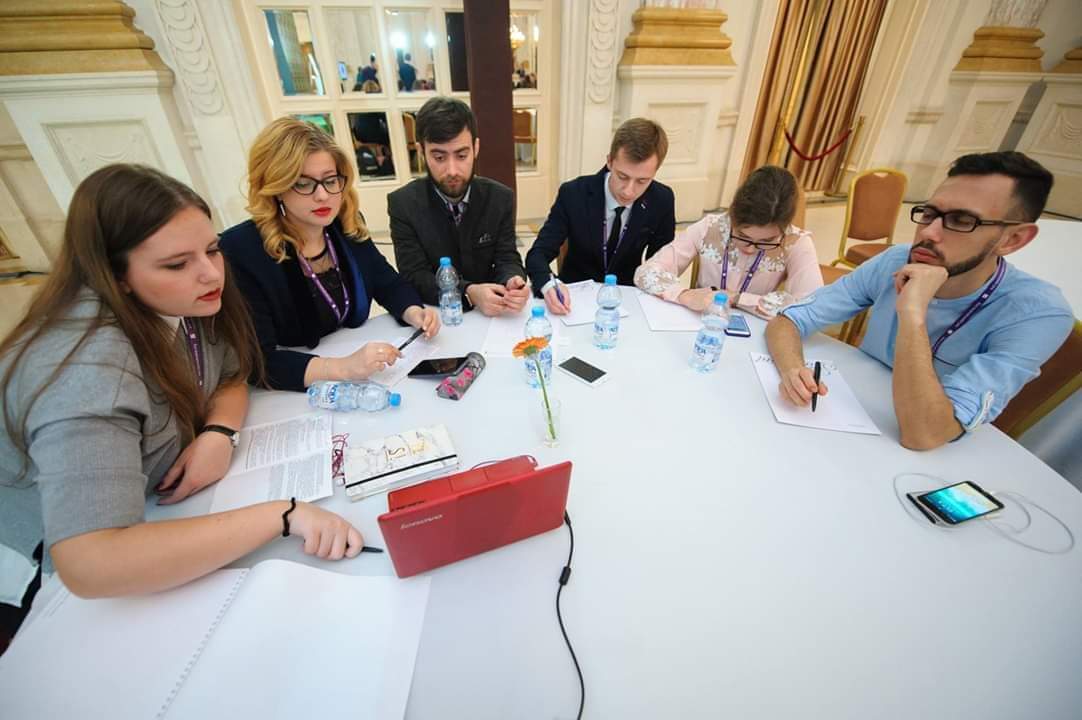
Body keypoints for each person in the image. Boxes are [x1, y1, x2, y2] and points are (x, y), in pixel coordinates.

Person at [0, 165, 369, 614]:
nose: (211, 274)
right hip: (47, 574)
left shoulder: (186, 299)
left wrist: (219, 432)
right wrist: (284, 515)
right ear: (114, 275)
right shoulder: (84, 367)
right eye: (177, 264)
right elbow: (91, 561)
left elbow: (232, 373)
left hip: (159, 507)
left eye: (212, 250)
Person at [766, 151, 1073, 450]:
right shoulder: (895, 260)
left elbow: (925, 435)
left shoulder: (1038, 313)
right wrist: (793, 370)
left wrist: (913, 313)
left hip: (927, 455)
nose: (929, 233)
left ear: (1012, 239)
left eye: (962, 220)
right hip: (849, 420)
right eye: (929, 213)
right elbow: (788, 320)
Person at [221, 118, 439, 392]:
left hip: (356, 371)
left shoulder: (346, 223)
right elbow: (259, 362)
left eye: (330, 180)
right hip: (296, 389)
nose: (323, 195)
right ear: (276, 188)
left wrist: (415, 312)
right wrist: (342, 368)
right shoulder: (242, 249)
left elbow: (387, 283)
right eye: (303, 183)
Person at [388, 96, 529, 316]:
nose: (452, 170)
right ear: (421, 151)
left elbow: (507, 257)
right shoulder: (403, 204)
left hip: (492, 316)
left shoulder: (500, 198)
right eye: (439, 157)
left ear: (476, 148)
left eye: (462, 155)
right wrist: (469, 291)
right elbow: (414, 275)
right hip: (437, 315)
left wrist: (512, 279)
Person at [526, 117, 675, 315]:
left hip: (628, 302)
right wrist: (548, 285)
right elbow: (537, 255)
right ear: (609, 161)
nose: (629, 191)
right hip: (573, 303)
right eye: (622, 176)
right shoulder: (574, 193)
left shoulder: (662, 199)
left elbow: (661, 264)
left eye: (642, 181)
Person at [635, 165, 822, 315]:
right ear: (732, 216)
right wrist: (684, 294)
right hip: (702, 322)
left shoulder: (796, 242)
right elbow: (646, 273)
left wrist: (738, 299)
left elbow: (812, 306)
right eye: (743, 236)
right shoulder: (711, 227)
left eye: (766, 241)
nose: (750, 249)